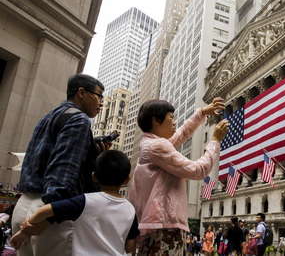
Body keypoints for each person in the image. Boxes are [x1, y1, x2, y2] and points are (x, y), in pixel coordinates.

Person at [12, 74, 107, 256]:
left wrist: (90, 150)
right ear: (81, 93)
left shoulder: (49, 116)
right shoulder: (79, 120)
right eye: (99, 96)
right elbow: (63, 172)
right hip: (49, 212)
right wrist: (49, 217)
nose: (101, 102)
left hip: (24, 205)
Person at [128, 98, 228, 255]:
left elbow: (182, 133)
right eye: (171, 117)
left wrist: (202, 113)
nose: (174, 122)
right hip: (165, 225)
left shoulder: (150, 143)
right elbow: (198, 170)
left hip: (159, 224)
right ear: (156, 120)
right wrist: (215, 141)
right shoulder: (157, 146)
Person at [10, 150, 139, 255]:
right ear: (127, 180)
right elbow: (129, 246)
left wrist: (25, 232)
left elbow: (43, 211)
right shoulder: (130, 210)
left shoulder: (85, 201)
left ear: (94, 177)